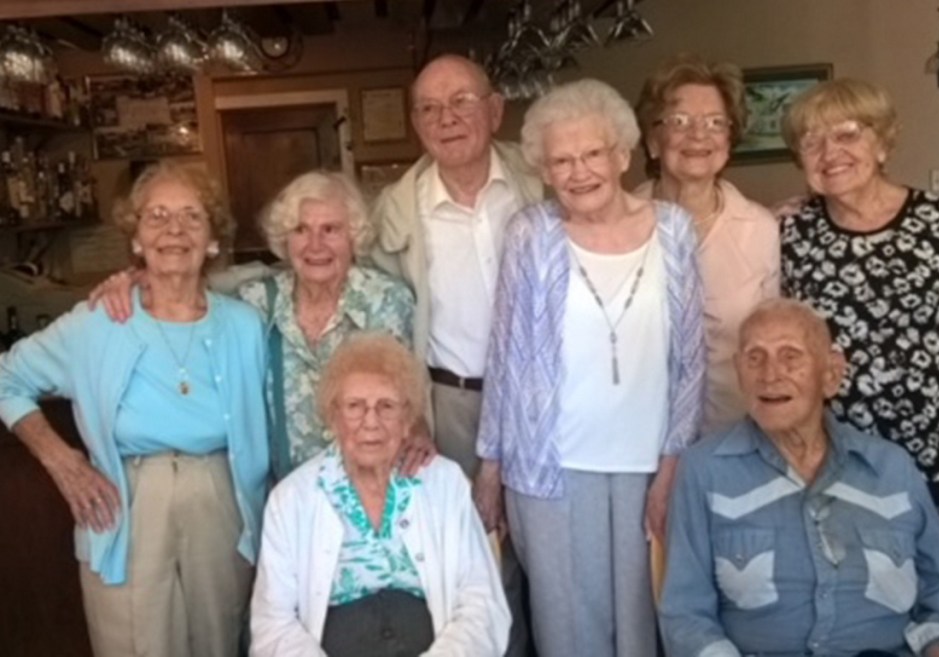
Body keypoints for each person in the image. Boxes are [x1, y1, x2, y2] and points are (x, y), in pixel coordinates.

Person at [778, 78, 939, 656]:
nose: (831, 152)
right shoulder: (791, 233)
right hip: (840, 465)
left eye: (847, 134)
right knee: (856, 616)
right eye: (812, 142)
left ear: (883, 143)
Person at [474, 78, 705, 657]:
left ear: (623, 154)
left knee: (643, 623)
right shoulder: (530, 234)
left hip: (646, 462)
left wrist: (675, 462)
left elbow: (691, 359)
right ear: (545, 172)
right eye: (562, 161)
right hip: (549, 468)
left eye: (592, 154)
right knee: (567, 629)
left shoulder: (674, 230)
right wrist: (490, 468)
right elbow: (504, 356)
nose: (579, 172)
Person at [0, 161, 268, 657]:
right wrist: (62, 461)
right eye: (157, 216)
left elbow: (286, 269)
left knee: (219, 641)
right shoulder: (98, 321)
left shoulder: (246, 323)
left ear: (213, 239)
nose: (174, 230)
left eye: (192, 216)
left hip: (221, 498)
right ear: (136, 239)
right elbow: (6, 378)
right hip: (126, 500)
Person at [659, 299, 939, 657]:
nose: (770, 374)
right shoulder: (705, 470)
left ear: (831, 375)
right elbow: (685, 614)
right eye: (754, 358)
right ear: (738, 372)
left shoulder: (890, 468)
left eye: (790, 356)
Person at [370, 53, 542, 656]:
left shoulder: (542, 179)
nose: (447, 118)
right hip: (447, 405)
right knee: (466, 554)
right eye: (429, 108)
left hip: (544, 401)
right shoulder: (393, 210)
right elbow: (382, 322)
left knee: (546, 557)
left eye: (462, 101)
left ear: (495, 110)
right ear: (416, 124)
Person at [92, 170, 422, 482]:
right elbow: (183, 284)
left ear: (354, 237)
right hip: (288, 498)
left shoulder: (388, 301)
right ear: (284, 239)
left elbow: (410, 397)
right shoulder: (254, 302)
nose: (315, 245)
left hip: (376, 484)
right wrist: (138, 278)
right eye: (300, 230)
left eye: (331, 230)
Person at [250, 334, 510, 656]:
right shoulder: (291, 499)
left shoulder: (445, 483)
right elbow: (272, 623)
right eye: (355, 407)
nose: (370, 422)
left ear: (407, 419)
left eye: (386, 407)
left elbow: (481, 601)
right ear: (333, 417)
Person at [635, 52, 780, 435]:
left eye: (716, 123)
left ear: (729, 140)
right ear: (653, 140)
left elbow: (770, 343)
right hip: (639, 439)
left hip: (735, 438)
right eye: (680, 121)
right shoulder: (617, 224)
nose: (699, 135)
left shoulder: (761, 229)